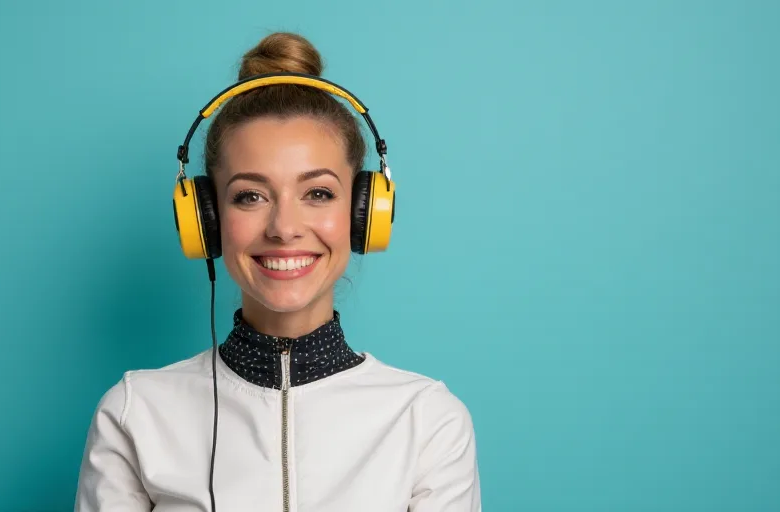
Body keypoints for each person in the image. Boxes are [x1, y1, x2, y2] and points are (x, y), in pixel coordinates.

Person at [74, 32, 481, 512]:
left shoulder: (427, 420)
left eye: (319, 193)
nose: (285, 228)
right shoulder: (134, 414)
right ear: (206, 218)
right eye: (250, 196)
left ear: (363, 212)